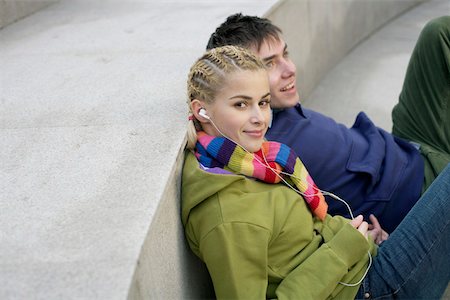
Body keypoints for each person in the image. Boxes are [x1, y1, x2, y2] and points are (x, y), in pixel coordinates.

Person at [181, 45, 450, 299]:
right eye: (241, 104)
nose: (259, 118)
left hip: (361, 261)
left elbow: (301, 243)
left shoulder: (255, 162)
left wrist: (358, 238)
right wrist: (342, 250)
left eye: (263, 103)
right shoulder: (227, 216)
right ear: (201, 110)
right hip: (367, 289)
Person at [205, 14, 450, 233]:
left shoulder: (278, 107)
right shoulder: (264, 147)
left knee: (438, 33)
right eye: (269, 64)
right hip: (423, 191)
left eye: (285, 54)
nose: (289, 69)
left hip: (407, 145)